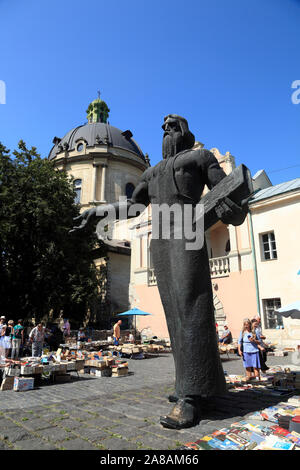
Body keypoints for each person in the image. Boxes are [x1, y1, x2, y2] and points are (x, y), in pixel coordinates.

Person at [70, 114, 249, 429]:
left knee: (192, 307)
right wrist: (100, 212)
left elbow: (225, 190)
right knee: (175, 314)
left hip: (189, 231)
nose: (167, 130)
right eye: (164, 127)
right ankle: (190, 385)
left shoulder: (200, 157)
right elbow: (134, 206)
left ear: (185, 131)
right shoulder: (152, 172)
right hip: (160, 238)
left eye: (174, 125)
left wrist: (235, 207)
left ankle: (192, 397)